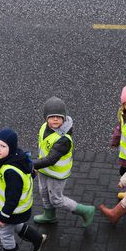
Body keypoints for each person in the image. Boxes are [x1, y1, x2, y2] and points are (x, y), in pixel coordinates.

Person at [31, 97, 95, 227]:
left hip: (56, 174)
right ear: (46, 118)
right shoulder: (44, 127)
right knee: (44, 193)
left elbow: (51, 159)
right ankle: (49, 216)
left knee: (56, 200)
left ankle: (85, 210)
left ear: (64, 118)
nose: (55, 119)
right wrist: (38, 164)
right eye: (52, 116)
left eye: (59, 117)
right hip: (44, 169)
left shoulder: (63, 140)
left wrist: (33, 164)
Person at [0, 128, 47, 251]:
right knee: (16, 225)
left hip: (13, 210)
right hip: (21, 210)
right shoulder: (18, 158)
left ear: (11, 147)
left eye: (3, 146)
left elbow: (12, 198)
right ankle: (37, 238)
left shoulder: (10, 171)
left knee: (5, 231)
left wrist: (3, 216)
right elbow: (30, 173)